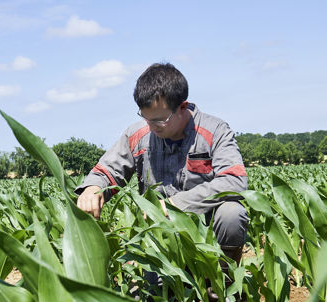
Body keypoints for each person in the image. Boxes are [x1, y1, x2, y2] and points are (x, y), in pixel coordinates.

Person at [75, 62, 249, 268]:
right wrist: (92, 188)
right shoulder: (138, 134)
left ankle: (223, 286)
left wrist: (176, 205)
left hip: (205, 232)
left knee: (232, 213)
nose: (151, 126)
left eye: (160, 120)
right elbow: (108, 170)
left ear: (182, 107)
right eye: (146, 118)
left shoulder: (215, 131)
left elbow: (235, 180)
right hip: (157, 235)